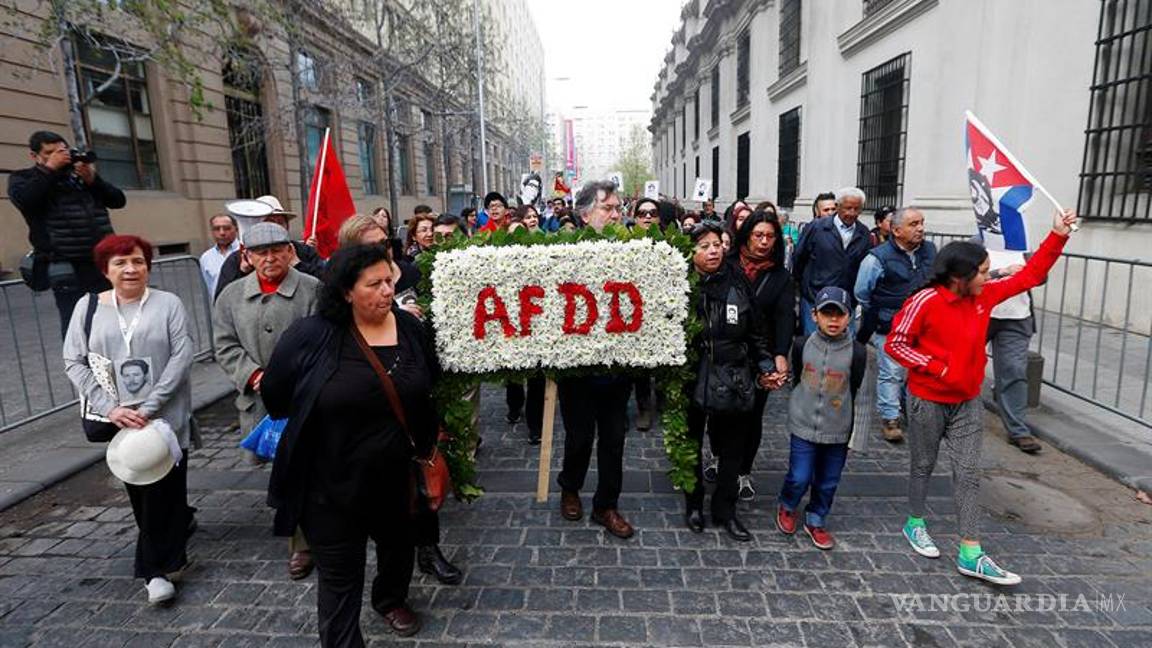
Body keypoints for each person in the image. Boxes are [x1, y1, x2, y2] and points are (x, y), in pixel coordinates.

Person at [887, 208, 1078, 586]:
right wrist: (936, 367)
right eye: (984, 271)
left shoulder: (985, 297)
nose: (990, 276)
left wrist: (1058, 235)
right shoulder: (925, 301)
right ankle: (915, 522)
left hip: (967, 402)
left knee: (969, 473)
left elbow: (1032, 275)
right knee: (923, 464)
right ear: (960, 276)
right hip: (927, 399)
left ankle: (971, 552)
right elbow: (896, 343)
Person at [263, 245, 439, 643]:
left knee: (398, 549)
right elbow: (276, 397)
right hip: (330, 486)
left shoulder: (410, 329)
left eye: (389, 281)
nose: (387, 292)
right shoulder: (310, 336)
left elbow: (431, 385)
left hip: (396, 480)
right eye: (373, 284)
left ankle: (391, 598)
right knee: (340, 582)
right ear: (346, 291)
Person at [62, 234, 195, 605]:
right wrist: (110, 408)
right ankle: (169, 544)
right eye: (120, 263)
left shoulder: (167, 303)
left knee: (165, 487)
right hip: (119, 419)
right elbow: (74, 360)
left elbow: (181, 356)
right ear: (105, 270)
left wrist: (150, 406)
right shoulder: (87, 307)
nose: (131, 269)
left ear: (148, 266)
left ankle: (158, 569)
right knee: (142, 490)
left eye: (137, 261)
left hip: (164, 415)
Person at [213, 222, 320, 579]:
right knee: (286, 473)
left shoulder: (312, 290)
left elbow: (325, 339)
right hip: (262, 403)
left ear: (291, 252)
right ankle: (300, 541)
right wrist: (256, 376)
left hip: (308, 398)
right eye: (261, 252)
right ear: (248, 256)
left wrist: (301, 380)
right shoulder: (230, 296)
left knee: (312, 468)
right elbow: (224, 345)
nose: (270, 258)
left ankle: (312, 537)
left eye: (277, 250)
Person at [683, 221, 775, 541]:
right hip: (692, 375)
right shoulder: (681, 284)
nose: (712, 250)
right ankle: (693, 504)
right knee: (691, 443)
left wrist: (765, 364)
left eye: (716, 244)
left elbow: (756, 331)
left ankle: (726, 509)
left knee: (732, 447)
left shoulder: (737, 282)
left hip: (734, 374)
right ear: (691, 251)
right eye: (704, 246)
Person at [556, 181, 636, 539]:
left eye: (619, 208)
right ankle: (570, 487)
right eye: (610, 208)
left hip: (617, 368)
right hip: (577, 370)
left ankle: (606, 505)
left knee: (614, 439)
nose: (618, 214)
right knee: (578, 437)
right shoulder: (563, 253)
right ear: (586, 213)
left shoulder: (631, 251)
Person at [8, 130, 126, 338]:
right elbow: (26, 200)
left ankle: (112, 369)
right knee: (77, 324)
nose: (58, 157)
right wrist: (50, 169)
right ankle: (83, 369)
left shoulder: (79, 178)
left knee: (111, 320)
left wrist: (93, 180)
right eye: (49, 153)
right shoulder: (23, 179)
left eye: (61, 151)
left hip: (101, 260)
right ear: (34, 156)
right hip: (65, 265)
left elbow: (118, 200)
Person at [775, 287, 867, 550]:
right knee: (799, 475)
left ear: (849, 317)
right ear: (814, 315)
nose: (834, 320)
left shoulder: (857, 353)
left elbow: (864, 396)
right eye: (827, 314)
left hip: (838, 429)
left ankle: (816, 517)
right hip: (803, 426)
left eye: (840, 315)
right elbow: (795, 381)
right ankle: (788, 504)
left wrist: (857, 437)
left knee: (828, 480)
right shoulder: (802, 345)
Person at [728, 211, 794, 502]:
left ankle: (744, 470)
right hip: (727, 353)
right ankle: (719, 456)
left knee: (753, 415)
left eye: (770, 236)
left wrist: (780, 354)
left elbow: (784, 319)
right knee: (722, 413)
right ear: (747, 235)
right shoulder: (729, 265)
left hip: (761, 356)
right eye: (758, 235)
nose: (764, 242)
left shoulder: (781, 276)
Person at [854, 208, 936, 443]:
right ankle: (891, 418)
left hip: (924, 324)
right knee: (891, 372)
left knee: (919, 369)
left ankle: (913, 409)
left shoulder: (930, 251)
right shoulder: (876, 258)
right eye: (913, 224)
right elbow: (862, 292)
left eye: (922, 222)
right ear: (896, 230)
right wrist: (883, 310)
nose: (920, 228)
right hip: (891, 323)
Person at [979, 244, 1043, 454]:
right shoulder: (978, 242)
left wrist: (1027, 271)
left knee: (1014, 371)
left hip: (1016, 317)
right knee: (966, 366)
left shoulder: (1023, 245)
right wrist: (1002, 272)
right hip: (981, 314)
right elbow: (964, 276)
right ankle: (952, 416)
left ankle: (1018, 430)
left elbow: (1041, 277)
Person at [792, 187, 872, 335]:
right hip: (815, 297)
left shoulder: (864, 234)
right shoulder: (817, 228)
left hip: (846, 302)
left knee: (844, 349)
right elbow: (799, 257)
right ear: (838, 206)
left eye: (857, 209)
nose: (852, 213)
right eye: (848, 208)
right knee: (813, 344)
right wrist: (803, 287)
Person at [214, 195, 325, 300]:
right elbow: (222, 301)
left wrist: (298, 265)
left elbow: (327, 284)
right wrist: (243, 272)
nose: (275, 227)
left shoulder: (304, 251)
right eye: (269, 222)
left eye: (280, 222)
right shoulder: (236, 260)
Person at [199, 213, 240, 296]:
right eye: (217, 229)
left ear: (236, 229)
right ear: (212, 231)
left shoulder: (246, 251)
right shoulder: (206, 258)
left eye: (227, 228)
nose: (222, 233)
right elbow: (211, 287)